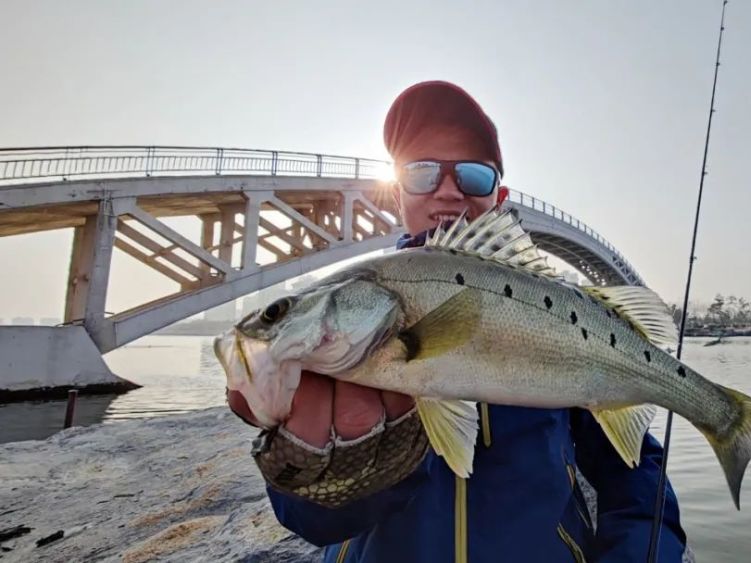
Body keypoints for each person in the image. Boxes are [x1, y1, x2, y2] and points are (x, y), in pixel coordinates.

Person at [228, 80, 689, 562]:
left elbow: (635, 472)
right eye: (422, 172)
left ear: (500, 197)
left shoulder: (566, 314)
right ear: (395, 193)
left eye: (472, 175)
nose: (448, 191)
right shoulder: (331, 344)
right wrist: (317, 471)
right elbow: (312, 524)